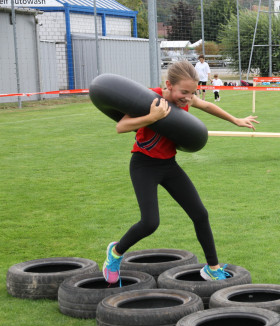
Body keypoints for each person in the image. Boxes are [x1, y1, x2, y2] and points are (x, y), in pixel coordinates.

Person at [102, 60, 259, 285]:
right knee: (149, 223)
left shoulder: (188, 98)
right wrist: (151, 117)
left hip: (169, 165)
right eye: (184, 92)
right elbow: (121, 127)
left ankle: (212, 268)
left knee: (200, 214)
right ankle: (115, 253)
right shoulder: (150, 98)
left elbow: (207, 106)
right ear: (169, 85)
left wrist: (236, 120)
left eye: (192, 92)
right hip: (143, 165)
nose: (188, 97)